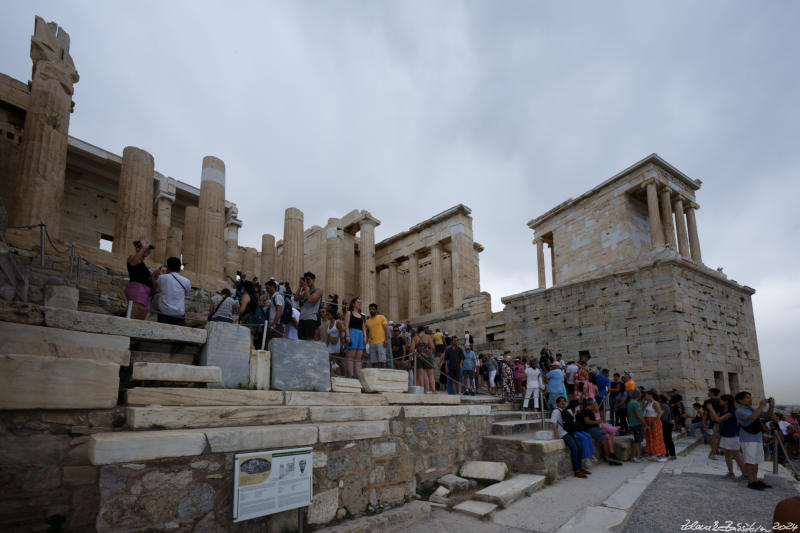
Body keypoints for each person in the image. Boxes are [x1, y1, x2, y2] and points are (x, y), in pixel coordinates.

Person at [735, 391, 774, 490]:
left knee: (756, 461)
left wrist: (771, 407)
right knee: (749, 461)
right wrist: (761, 406)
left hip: (757, 438)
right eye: (747, 397)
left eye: (750, 397)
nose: (750, 399)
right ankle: (750, 481)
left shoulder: (752, 409)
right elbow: (753, 417)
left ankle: (755, 480)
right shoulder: (740, 411)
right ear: (740, 400)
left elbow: (768, 416)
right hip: (748, 439)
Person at [707, 394, 746, 479]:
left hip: (732, 436)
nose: (719, 401)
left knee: (737, 456)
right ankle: (731, 473)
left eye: (721, 400)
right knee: (727, 455)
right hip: (724, 435)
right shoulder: (723, 410)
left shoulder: (731, 412)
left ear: (726, 401)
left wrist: (711, 409)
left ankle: (745, 474)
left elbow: (718, 419)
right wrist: (710, 410)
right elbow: (714, 419)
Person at [551, 396, 588, 478]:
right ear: (557, 403)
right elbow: (553, 423)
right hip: (563, 433)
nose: (563, 403)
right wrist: (556, 434)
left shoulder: (564, 410)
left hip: (569, 432)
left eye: (564, 401)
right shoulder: (555, 411)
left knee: (580, 447)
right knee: (574, 448)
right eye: (561, 401)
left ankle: (580, 468)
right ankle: (576, 471)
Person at [577, 399, 622, 464]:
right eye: (595, 404)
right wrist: (597, 422)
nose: (597, 405)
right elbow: (587, 421)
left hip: (595, 428)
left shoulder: (591, 411)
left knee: (609, 436)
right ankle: (608, 457)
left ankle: (611, 454)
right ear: (592, 404)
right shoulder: (586, 410)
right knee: (604, 441)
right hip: (590, 429)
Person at [154, 257, 191, 326]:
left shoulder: (162, 278)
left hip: (164, 312)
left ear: (168, 267)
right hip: (179, 313)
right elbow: (186, 293)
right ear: (179, 268)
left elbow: (156, 289)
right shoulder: (186, 281)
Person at [125, 236, 155, 320]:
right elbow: (133, 262)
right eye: (146, 248)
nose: (148, 250)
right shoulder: (132, 258)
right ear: (138, 248)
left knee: (140, 321)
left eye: (149, 249)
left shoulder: (143, 264)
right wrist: (143, 248)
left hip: (145, 293)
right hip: (138, 290)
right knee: (133, 318)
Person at [344, 297, 366, 378]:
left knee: (358, 357)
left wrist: (365, 337)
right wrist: (347, 336)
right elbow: (346, 326)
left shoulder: (361, 316)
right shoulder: (349, 313)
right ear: (353, 304)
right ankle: (351, 375)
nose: (359, 304)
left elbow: (363, 327)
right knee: (351, 356)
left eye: (360, 302)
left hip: (360, 335)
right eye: (358, 302)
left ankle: (357, 375)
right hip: (352, 333)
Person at [238, 280, 264, 348]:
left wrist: (238, 313)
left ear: (244, 288)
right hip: (253, 320)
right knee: (251, 340)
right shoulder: (253, 296)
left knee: (249, 341)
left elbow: (242, 309)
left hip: (248, 320)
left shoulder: (246, 296)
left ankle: (253, 357)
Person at [296, 272, 322, 340]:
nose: (307, 281)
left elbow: (310, 300)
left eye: (308, 279)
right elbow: (296, 298)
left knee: (309, 342)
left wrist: (305, 287)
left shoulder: (318, 290)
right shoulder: (306, 292)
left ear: (313, 280)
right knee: (300, 340)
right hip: (302, 318)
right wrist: (300, 286)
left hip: (310, 319)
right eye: (305, 279)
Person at [643, 389, 667, 461]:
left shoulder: (655, 403)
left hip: (654, 421)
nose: (645, 396)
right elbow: (642, 409)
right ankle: (653, 452)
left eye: (646, 395)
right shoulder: (648, 403)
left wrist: (655, 422)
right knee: (650, 437)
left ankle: (659, 453)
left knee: (656, 437)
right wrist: (644, 402)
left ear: (650, 395)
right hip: (648, 421)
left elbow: (659, 413)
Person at [411, 326, 435, 393]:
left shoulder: (415, 338)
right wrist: (428, 350)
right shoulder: (428, 336)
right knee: (430, 375)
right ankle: (433, 390)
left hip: (419, 357)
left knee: (421, 375)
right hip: (427, 357)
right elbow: (432, 347)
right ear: (423, 330)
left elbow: (411, 349)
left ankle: (423, 391)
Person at [365, 304, 390, 369]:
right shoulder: (367, 321)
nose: (371, 310)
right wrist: (366, 342)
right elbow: (367, 333)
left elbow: (386, 329)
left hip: (381, 342)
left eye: (373, 309)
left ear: (376, 310)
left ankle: (383, 377)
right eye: (370, 309)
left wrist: (386, 340)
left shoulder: (382, 317)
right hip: (371, 344)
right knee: (374, 362)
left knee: (383, 362)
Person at [704, 388, 722, 460]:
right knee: (718, 438)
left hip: (711, 421)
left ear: (712, 393)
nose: (707, 393)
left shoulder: (708, 402)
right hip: (720, 420)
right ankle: (716, 451)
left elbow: (705, 413)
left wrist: (703, 422)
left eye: (709, 392)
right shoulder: (720, 401)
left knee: (713, 439)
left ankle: (712, 453)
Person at [628, 389, 645, 462]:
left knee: (638, 440)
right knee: (637, 441)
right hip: (637, 423)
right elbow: (639, 415)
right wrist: (644, 423)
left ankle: (638, 456)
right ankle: (635, 457)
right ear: (638, 395)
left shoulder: (630, 402)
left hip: (633, 423)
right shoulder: (635, 403)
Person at [658, 394, 677, 460]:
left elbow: (664, 417)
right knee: (665, 439)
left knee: (668, 439)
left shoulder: (664, 406)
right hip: (666, 423)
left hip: (667, 424)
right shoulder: (664, 405)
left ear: (661, 399)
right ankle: (666, 452)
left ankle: (672, 454)